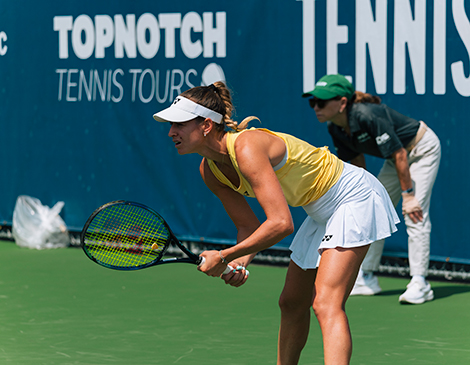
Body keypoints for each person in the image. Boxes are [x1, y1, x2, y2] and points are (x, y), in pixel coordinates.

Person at [153, 81, 399, 364]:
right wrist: (238, 262)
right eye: (171, 125)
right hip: (319, 210)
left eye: (179, 124)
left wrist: (223, 255)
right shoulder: (209, 171)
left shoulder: (246, 147)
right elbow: (248, 227)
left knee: (325, 303)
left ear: (206, 125)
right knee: (291, 302)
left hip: (352, 195)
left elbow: (281, 223)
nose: (171, 132)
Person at [302, 74, 441, 304]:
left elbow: (400, 153)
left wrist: (408, 196)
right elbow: (357, 168)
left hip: (421, 149)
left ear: (343, 103)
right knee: (371, 211)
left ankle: (420, 282)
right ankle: (367, 277)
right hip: (397, 158)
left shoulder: (367, 114)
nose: (316, 107)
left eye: (322, 102)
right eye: (313, 102)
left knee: (414, 212)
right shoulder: (335, 128)